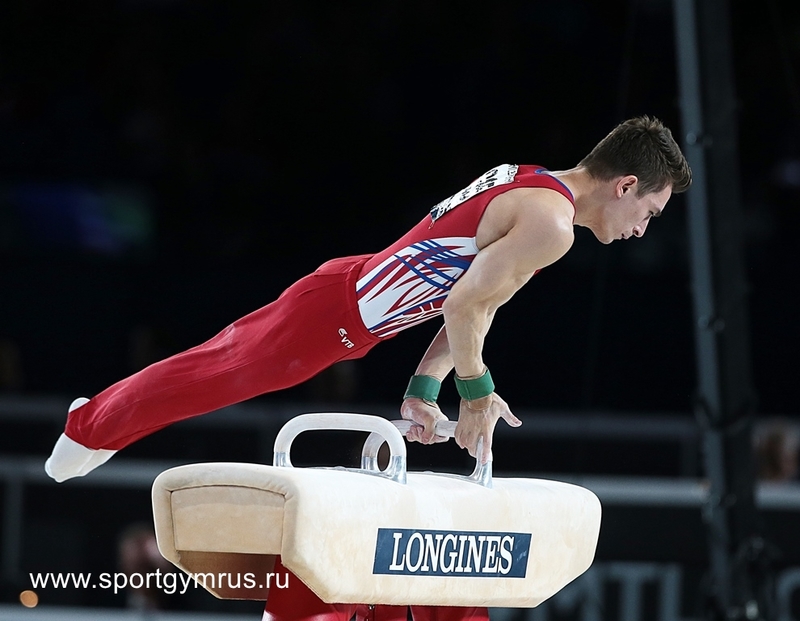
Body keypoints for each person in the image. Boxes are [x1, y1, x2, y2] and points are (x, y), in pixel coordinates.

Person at [44, 115, 691, 621]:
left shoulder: (535, 189)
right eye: (649, 212)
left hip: (345, 305)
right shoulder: (551, 225)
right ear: (625, 185)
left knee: (212, 368)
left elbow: (476, 305)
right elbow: (464, 305)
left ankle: (96, 421)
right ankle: (91, 424)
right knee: (209, 376)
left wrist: (423, 389)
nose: (643, 228)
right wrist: (477, 394)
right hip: (332, 317)